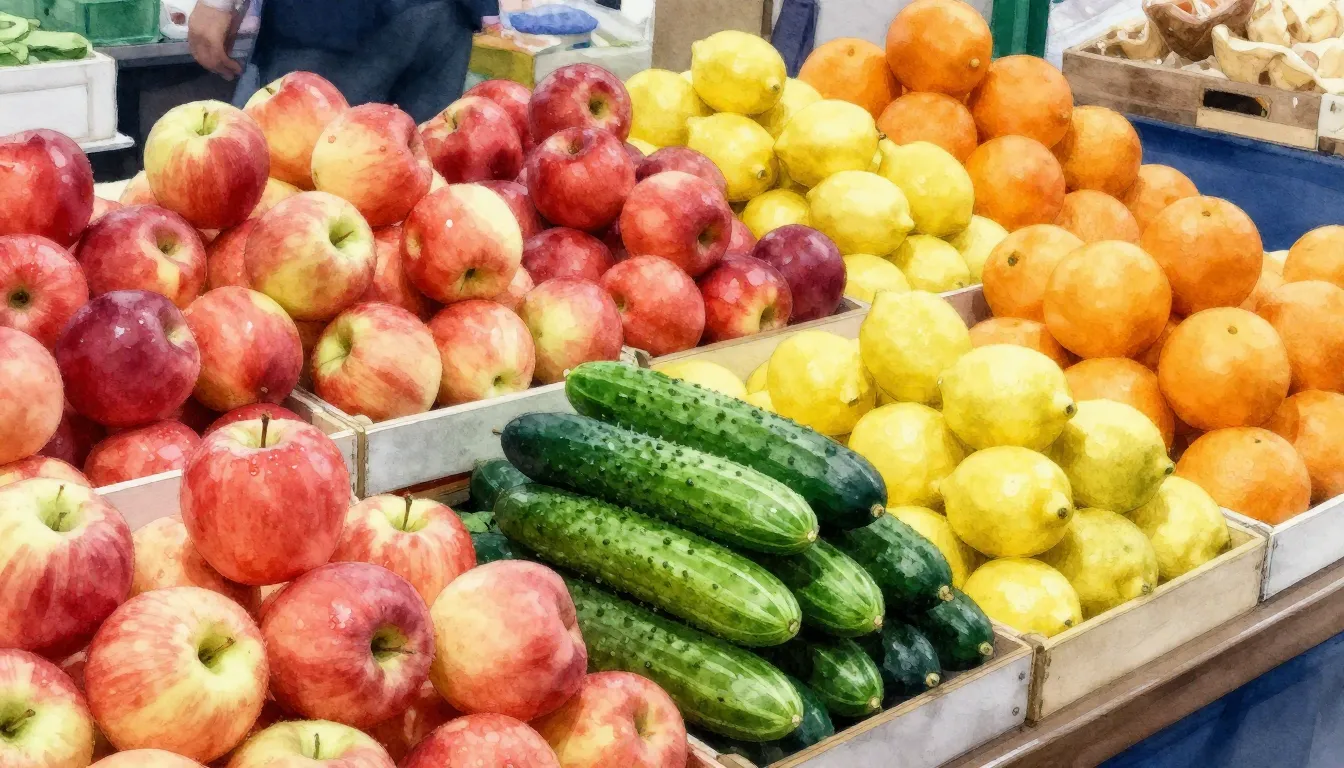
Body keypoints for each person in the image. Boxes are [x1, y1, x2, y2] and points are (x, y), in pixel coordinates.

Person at [188, 0, 497, 122]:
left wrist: (219, 3)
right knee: (419, 190)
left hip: (334, 17)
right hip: (448, 13)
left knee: (282, 192)